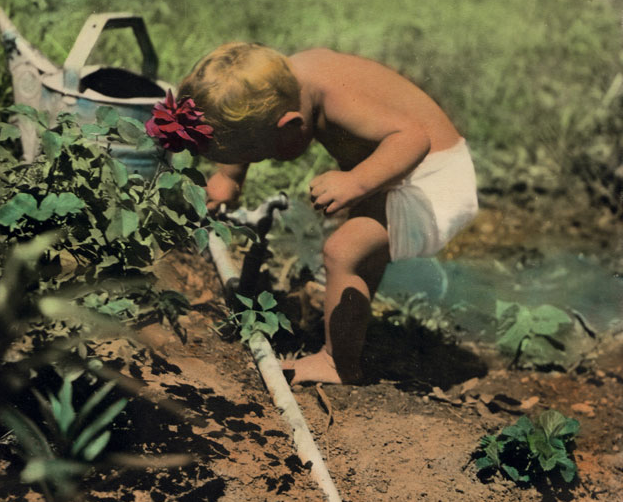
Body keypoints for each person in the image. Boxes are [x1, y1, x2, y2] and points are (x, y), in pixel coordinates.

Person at [178, 41, 478, 385]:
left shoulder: (336, 99)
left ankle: (339, 364)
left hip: (436, 177)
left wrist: (357, 182)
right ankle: (348, 334)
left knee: (343, 251)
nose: (254, 159)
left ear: (290, 127)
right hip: (399, 163)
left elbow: (413, 139)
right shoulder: (274, 82)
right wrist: (228, 177)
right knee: (357, 255)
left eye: (261, 154)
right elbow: (249, 128)